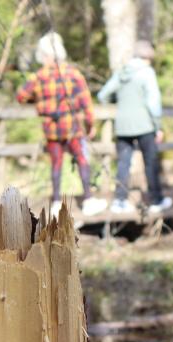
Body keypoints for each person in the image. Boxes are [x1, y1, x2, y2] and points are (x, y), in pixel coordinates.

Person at [16, 32, 107, 218]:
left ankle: (57, 202)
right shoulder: (73, 74)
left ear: (44, 55)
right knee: (82, 160)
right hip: (73, 128)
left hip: (51, 129)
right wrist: (91, 125)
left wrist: (38, 99)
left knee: (56, 164)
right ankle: (88, 200)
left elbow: (21, 96)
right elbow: (86, 103)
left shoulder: (38, 77)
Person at [97, 40, 172, 215]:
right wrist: (158, 126)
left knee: (123, 163)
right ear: (148, 57)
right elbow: (153, 103)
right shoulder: (147, 73)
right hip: (145, 125)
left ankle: (120, 201)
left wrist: (119, 101)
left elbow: (103, 95)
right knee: (150, 162)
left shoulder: (122, 72)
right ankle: (156, 200)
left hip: (123, 126)